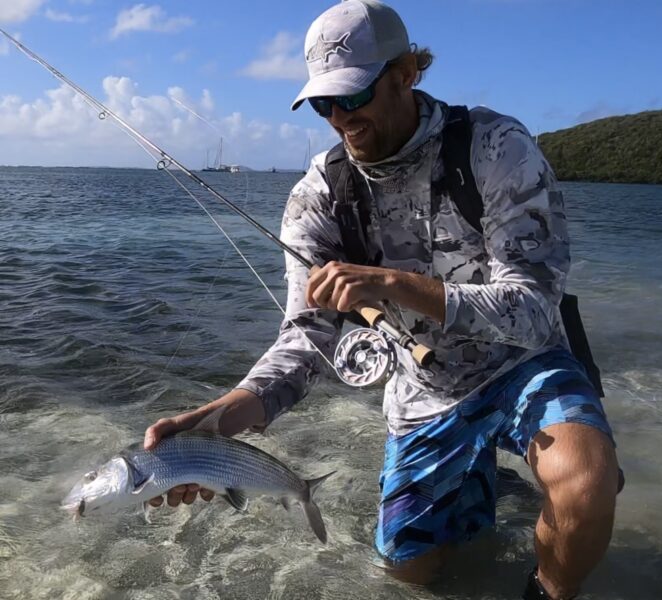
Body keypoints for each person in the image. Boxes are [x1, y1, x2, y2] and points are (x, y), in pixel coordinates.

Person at [143, 1, 620, 598]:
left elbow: (533, 309)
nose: (342, 117)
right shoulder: (318, 195)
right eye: (324, 103)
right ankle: (487, 480)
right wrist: (213, 425)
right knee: (409, 575)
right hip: (423, 393)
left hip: (524, 362)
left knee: (586, 488)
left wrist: (394, 285)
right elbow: (307, 339)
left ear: (406, 73)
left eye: (355, 94)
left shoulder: (496, 148)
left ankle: (547, 591)